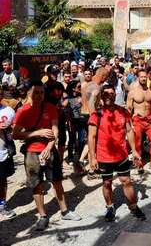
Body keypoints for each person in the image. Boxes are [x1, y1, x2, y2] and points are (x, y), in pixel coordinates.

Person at [12, 81, 81, 231]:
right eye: (35, 92)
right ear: (29, 93)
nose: (38, 95)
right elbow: (15, 134)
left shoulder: (50, 108)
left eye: (41, 92)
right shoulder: (23, 111)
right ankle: (42, 216)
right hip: (32, 152)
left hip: (50, 151)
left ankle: (65, 211)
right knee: (37, 184)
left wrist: (50, 146)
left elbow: (55, 129)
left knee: (57, 181)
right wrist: (37, 133)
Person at [88, 84, 146, 222]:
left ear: (115, 95)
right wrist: (92, 157)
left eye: (112, 93)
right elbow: (91, 136)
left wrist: (135, 151)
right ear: (102, 96)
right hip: (103, 156)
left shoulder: (123, 111)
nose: (109, 96)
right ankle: (109, 207)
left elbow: (130, 131)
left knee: (126, 181)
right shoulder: (97, 114)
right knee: (107, 182)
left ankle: (133, 206)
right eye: (106, 94)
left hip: (122, 155)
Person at [126, 69, 151, 173]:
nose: (143, 78)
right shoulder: (133, 92)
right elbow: (129, 109)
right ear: (138, 78)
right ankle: (139, 163)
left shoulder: (150, 92)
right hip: (137, 119)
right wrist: (129, 123)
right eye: (141, 77)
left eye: (145, 77)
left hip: (149, 120)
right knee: (137, 143)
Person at [0, 87, 16, 219]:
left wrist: (10, 128)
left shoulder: (9, 110)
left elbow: (17, 129)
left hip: (3, 151)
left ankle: (2, 205)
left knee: (2, 180)